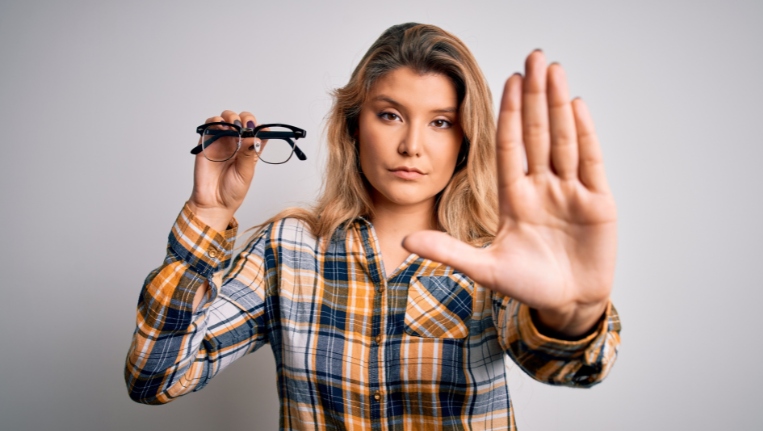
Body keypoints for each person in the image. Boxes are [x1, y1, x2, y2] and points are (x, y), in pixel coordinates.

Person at [125, 22, 621, 429]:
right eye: (390, 115)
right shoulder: (287, 248)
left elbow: (568, 364)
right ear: (353, 126)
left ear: (466, 140)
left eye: (440, 122)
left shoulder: (497, 256)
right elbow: (155, 378)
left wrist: (572, 315)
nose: (412, 146)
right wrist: (209, 216)